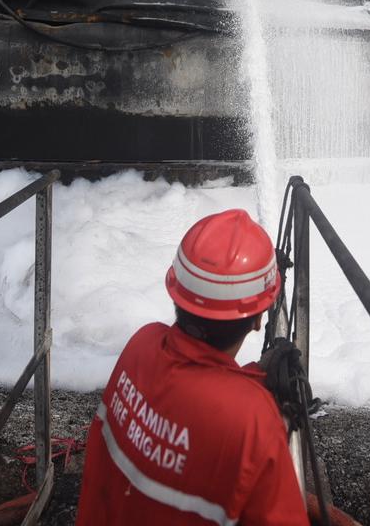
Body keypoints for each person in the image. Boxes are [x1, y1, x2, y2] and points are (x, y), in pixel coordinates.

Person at [75, 208, 309, 525]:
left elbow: (187, 390)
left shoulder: (141, 346)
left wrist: (256, 378)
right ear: (258, 319)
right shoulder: (253, 423)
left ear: (177, 291)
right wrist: (275, 411)